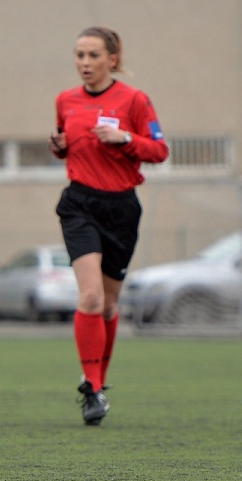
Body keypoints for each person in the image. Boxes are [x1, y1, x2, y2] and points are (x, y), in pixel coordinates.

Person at [48, 26, 168, 426]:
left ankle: (96, 381)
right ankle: (93, 389)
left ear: (112, 59)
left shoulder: (135, 100)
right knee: (91, 298)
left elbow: (159, 150)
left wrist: (125, 138)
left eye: (93, 55)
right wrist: (59, 146)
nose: (84, 63)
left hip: (121, 208)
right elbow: (66, 142)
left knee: (111, 305)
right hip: (80, 204)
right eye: (79, 55)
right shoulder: (65, 100)